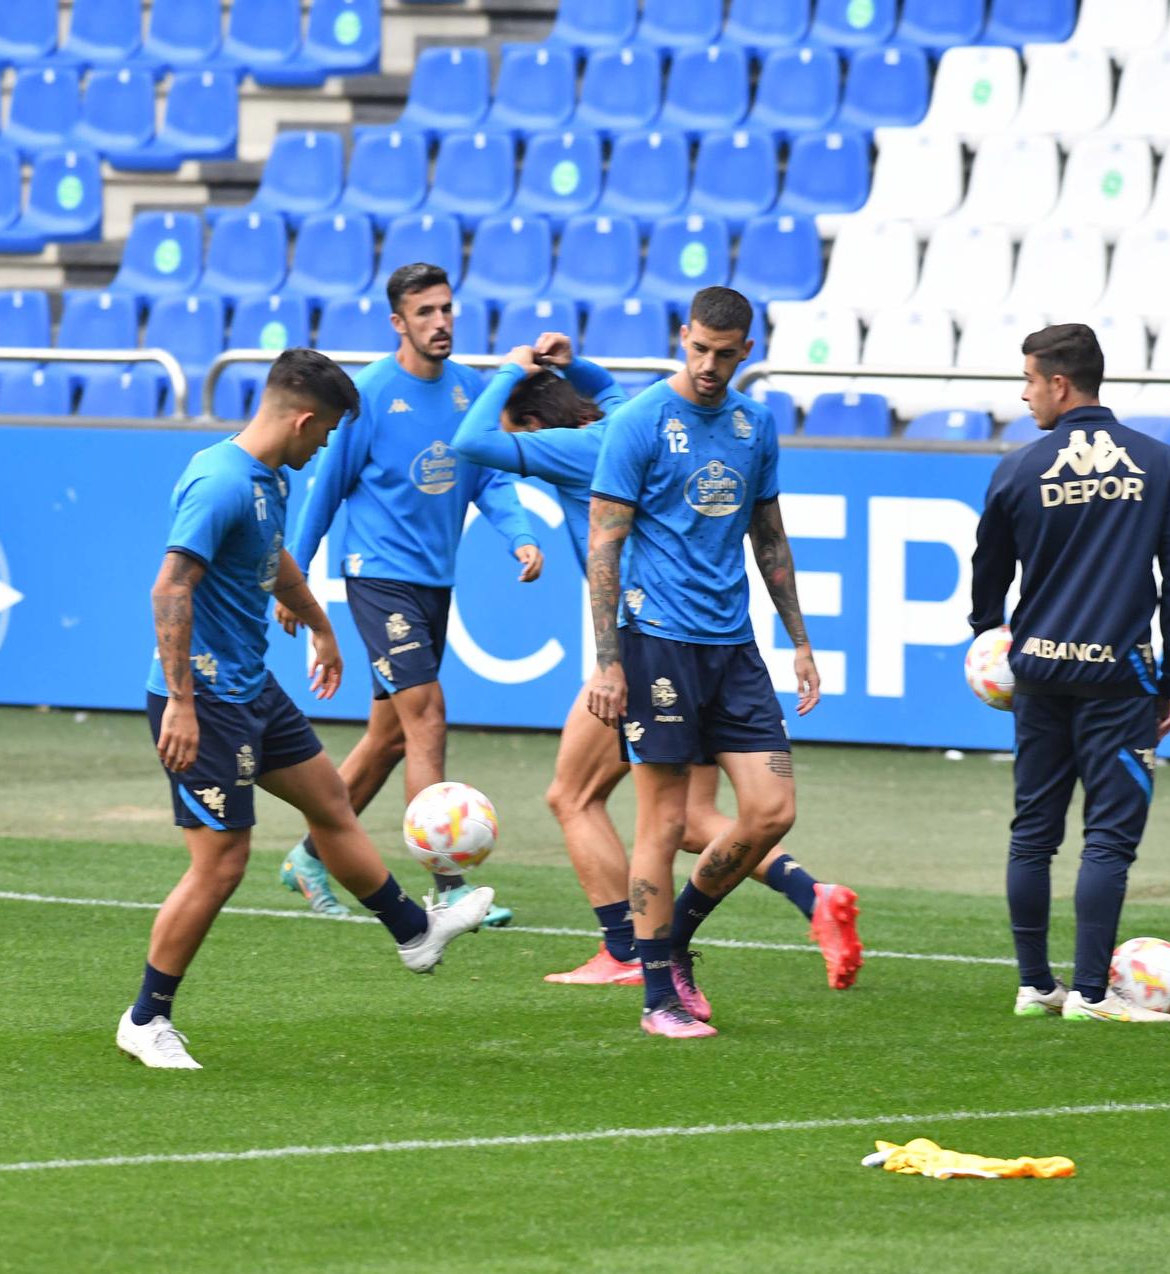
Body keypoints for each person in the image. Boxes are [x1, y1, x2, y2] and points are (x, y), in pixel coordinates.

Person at [121, 349, 497, 1071]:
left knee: (331, 802)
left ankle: (415, 932)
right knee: (221, 863)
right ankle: (146, 1017)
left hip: (250, 686)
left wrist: (319, 624)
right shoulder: (220, 482)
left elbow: (273, 561)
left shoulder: (266, 479)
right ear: (301, 419)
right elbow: (170, 589)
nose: (325, 445)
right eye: (323, 432)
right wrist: (181, 702)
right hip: (203, 699)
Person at [453, 333, 861, 991]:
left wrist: (507, 371)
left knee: (575, 794)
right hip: (705, 640)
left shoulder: (579, 449)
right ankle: (812, 895)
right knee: (698, 818)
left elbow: (472, 441)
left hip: (643, 640)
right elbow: (604, 386)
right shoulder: (629, 414)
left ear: (531, 425)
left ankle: (628, 949)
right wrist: (569, 361)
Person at [585, 287, 823, 1040]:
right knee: (662, 816)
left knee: (772, 810)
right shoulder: (638, 423)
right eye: (699, 349)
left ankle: (676, 936)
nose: (710, 365)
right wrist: (608, 662)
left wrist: (801, 638)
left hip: (734, 644)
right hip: (656, 641)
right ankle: (657, 996)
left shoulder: (755, 427)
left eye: (726, 353)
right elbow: (604, 547)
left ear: (746, 350)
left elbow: (770, 539)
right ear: (681, 336)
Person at [276, 263, 543, 927]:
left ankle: (310, 856)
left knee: (390, 738)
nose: (441, 322)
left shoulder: (468, 390)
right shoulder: (369, 395)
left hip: (434, 580)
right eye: (425, 312)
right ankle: (447, 881)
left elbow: (490, 478)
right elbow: (326, 487)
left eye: (447, 309)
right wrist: (297, 575)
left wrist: (520, 534)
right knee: (426, 714)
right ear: (398, 323)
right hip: (378, 574)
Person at [969, 323, 1170, 1023]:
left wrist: (988, 635)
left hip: (1037, 676)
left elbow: (987, 572)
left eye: (1031, 381)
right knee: (1108, 839)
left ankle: (1036, 985)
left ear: (1060, 384)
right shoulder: (1158, 464)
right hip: (1118, 680)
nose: (1026, 393)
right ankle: (1094, 994)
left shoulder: (1019, 466)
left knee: (1033, 833)